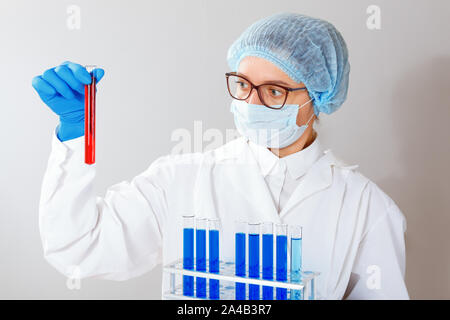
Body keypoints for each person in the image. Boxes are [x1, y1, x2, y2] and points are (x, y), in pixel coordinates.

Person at [32, 12, 409, 299]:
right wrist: (76, 134)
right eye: (243, 84)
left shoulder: (367, 208)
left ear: (319, 98)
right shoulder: (180, 179)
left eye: (274, 91)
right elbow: (77, 248)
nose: (250, 102)